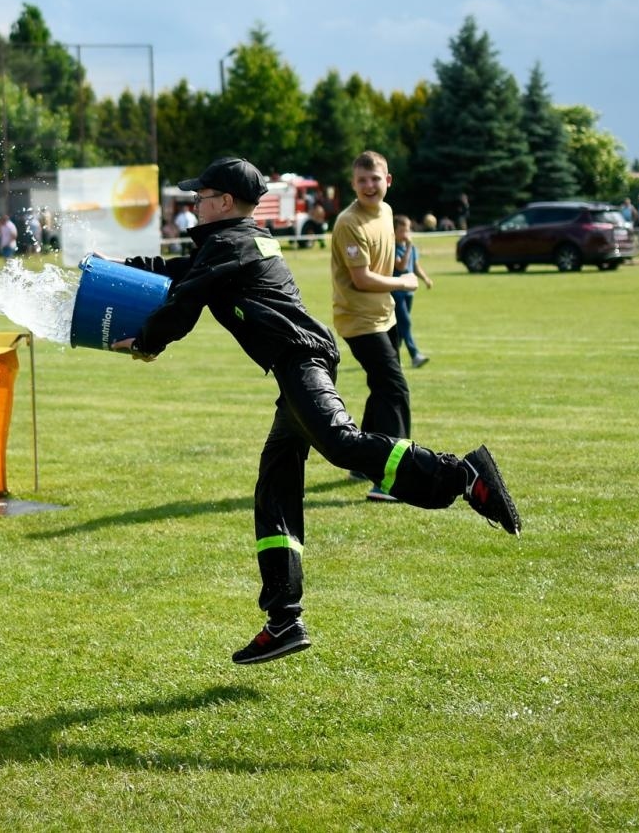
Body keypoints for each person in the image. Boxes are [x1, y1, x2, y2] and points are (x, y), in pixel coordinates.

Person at [110, 156, 520, 666]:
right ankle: (283, 620)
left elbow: (185, 300)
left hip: (300, 359)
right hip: (295, 364)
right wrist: (116, 268)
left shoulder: (230, 243)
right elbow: (179, 274)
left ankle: (460, 475)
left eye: (200, 196)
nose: (194, 204)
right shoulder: (233, 241)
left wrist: (147, 343)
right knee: (275, 485)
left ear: (223, 202)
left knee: (342, 443)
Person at [332, 151, 420, 503]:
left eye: (375, 178)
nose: (369, 186)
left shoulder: (385, 212)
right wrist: (404, 282)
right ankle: (392, 479)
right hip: (358, 319)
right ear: (353, 184)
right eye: (362, 180)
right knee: (395, 389)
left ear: (388, 180)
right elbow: (362, 279)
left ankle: (362, 459)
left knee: (383, 388)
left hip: (385, 315)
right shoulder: (348, 223)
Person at [390, 214, 433, 368]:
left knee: (401, 328)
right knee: (405, 323)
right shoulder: (392, 248)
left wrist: (426, 279)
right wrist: (408, 247)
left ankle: (393, 358)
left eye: (407, 230)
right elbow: (400, 267)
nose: (406, 234)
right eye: (402, 230)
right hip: (396, 292)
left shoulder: (412, 248)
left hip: (409, 293)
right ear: (394, 232)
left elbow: (415, 266)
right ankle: (415, 355)